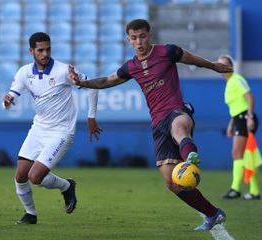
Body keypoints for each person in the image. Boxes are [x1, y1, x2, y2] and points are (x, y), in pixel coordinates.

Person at [68, 19, 233, 231]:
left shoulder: (168, 51)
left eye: (143, 36)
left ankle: (191, 157)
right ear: (128, 40)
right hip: (157, 122)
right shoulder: (131, 67)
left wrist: (214, 66)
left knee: (179, 128)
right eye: (134, 38)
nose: (139, 42)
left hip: (177, 110)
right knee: (171, 182)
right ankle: (212, 214)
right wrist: (81, 82)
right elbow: (105, 81)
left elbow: (193, 59)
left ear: (150, 36)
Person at [2, 32, 102, 224]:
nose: (45, 53)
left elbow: (92, 86)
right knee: (20, 175)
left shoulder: (64, 70)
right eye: (40, 50)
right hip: (39, 129)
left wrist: (91, 117)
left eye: (48, 49)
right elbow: (10, 97)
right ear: (31, 51)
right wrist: (7, 102)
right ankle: (30, 215)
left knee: (35, 176)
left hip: (61, 132)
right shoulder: (24, 72)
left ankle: (66, 186)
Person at [218, 55, 261, 200]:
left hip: (244, 118)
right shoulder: (229, 83)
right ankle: (254, 191)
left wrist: (249, 117)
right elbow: (235, 107)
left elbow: (250, 97)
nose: (223, 68)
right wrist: (231, 124)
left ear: (231, 66)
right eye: (220, 66)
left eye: (225, 65)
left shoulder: (237, 79)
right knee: (245, 154)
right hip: (238, 119)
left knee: (237, 153)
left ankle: (235, 189)